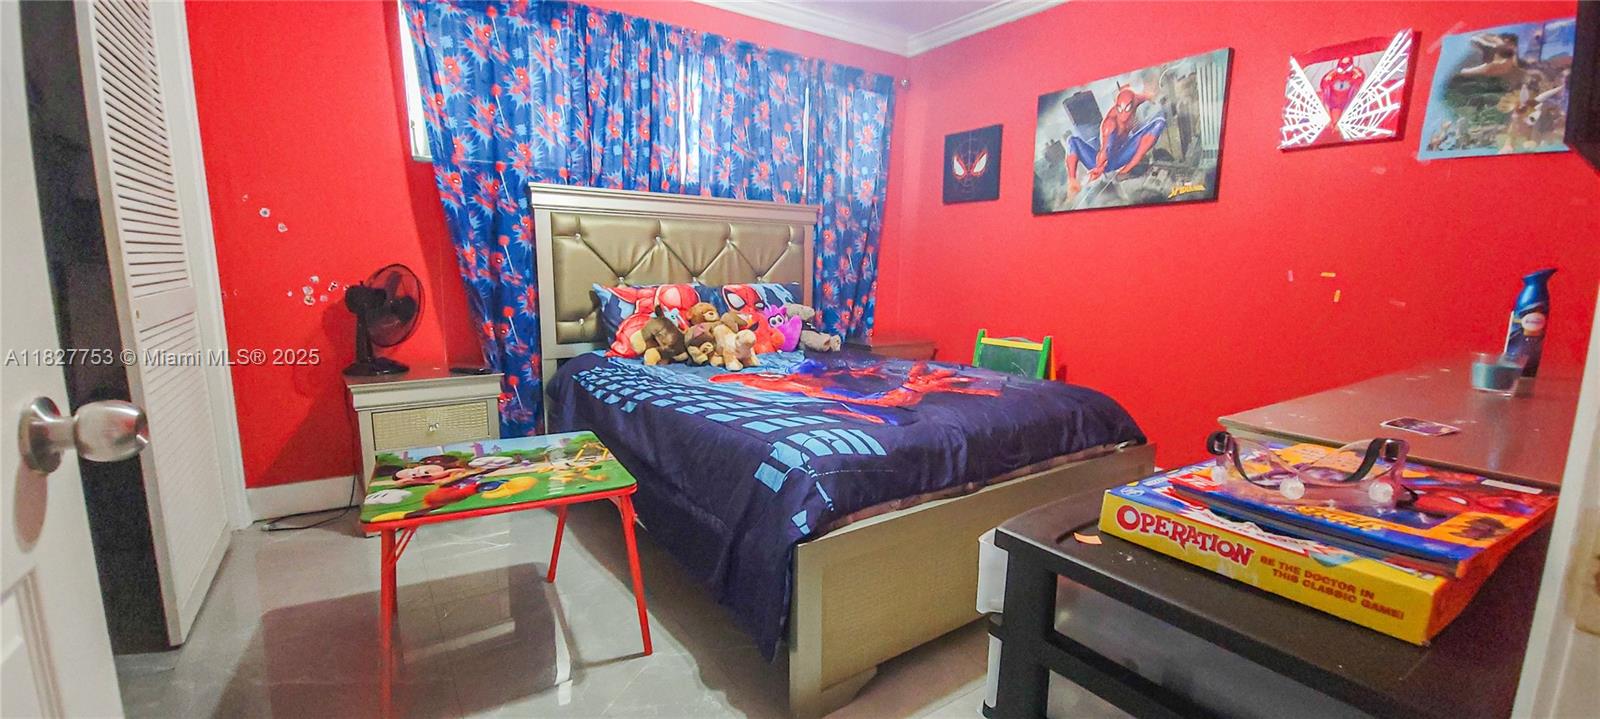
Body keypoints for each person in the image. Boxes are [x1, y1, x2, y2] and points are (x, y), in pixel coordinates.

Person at [1059, 85, 1167, 202]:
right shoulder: (1110, 125)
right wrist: (1099, 168)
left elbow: (1145, 96)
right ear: (1117, 107)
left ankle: (1127, 168)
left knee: (1159, 122)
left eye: (1128, 109)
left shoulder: (1135, 99)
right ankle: (1072, 180)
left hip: (1123, 153)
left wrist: (1151, 96)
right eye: (1120, 110)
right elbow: (1106, 150)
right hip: (1108, 162)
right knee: (1072, 141)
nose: (1124, 115)